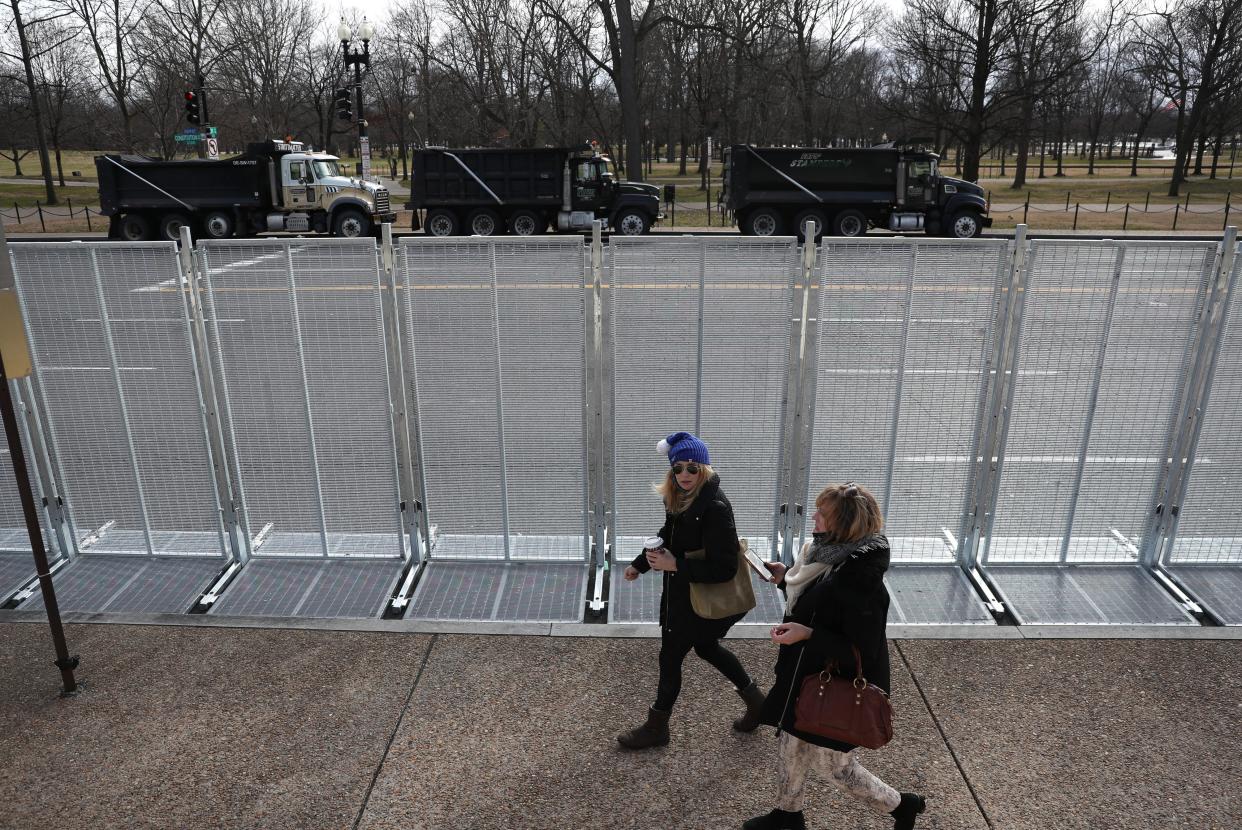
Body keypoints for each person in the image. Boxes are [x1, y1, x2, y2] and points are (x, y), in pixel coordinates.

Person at [744, 482, 926, 830]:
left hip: (834, 684)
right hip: (806, 672)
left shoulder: (861, 580)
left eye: (822, 513)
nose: (812, 516)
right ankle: (787, 815)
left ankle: (902, 805)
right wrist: (785, 580)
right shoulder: (826, 553)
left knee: (835, 766)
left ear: (844, 524)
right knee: (791, 744)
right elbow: (819, 601)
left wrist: (807, 634)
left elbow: (862, 647)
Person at [615, 431, 766, 750]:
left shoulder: (714, 508)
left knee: (670, 658)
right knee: (707, 648)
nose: (684, 474)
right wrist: (641, 563)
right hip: (690, 599)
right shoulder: (683, 499)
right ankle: (757, 702)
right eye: (677, 468)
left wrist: (676, 566)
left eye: (692, 468)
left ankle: (657, 728)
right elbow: (667, 536)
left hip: (695, 602)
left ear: (705, 469)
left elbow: (724, 567)